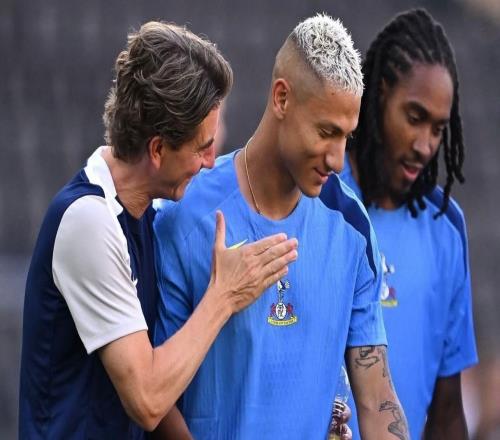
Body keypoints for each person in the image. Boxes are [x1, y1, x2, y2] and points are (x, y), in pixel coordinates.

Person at [18, 21, 299, 439]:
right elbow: (147, 399)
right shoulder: (88, 222)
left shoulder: (148, 215)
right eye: (202, 147)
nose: (210, 162)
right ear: (157, 149)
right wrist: (224, 295)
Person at [154, 14, 408, 440]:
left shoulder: (351, 225)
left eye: (347, 137)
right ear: (282, 98)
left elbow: (377, 399)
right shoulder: (184, 214)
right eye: (326, 132)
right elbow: (155, 400)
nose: (338, 159)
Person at [320, 9, 478, 439]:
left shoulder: (446, 227)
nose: (425, 145)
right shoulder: (319, 198)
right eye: (414, 117)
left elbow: (447, 412)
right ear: (379, 96)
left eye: (438, 129)